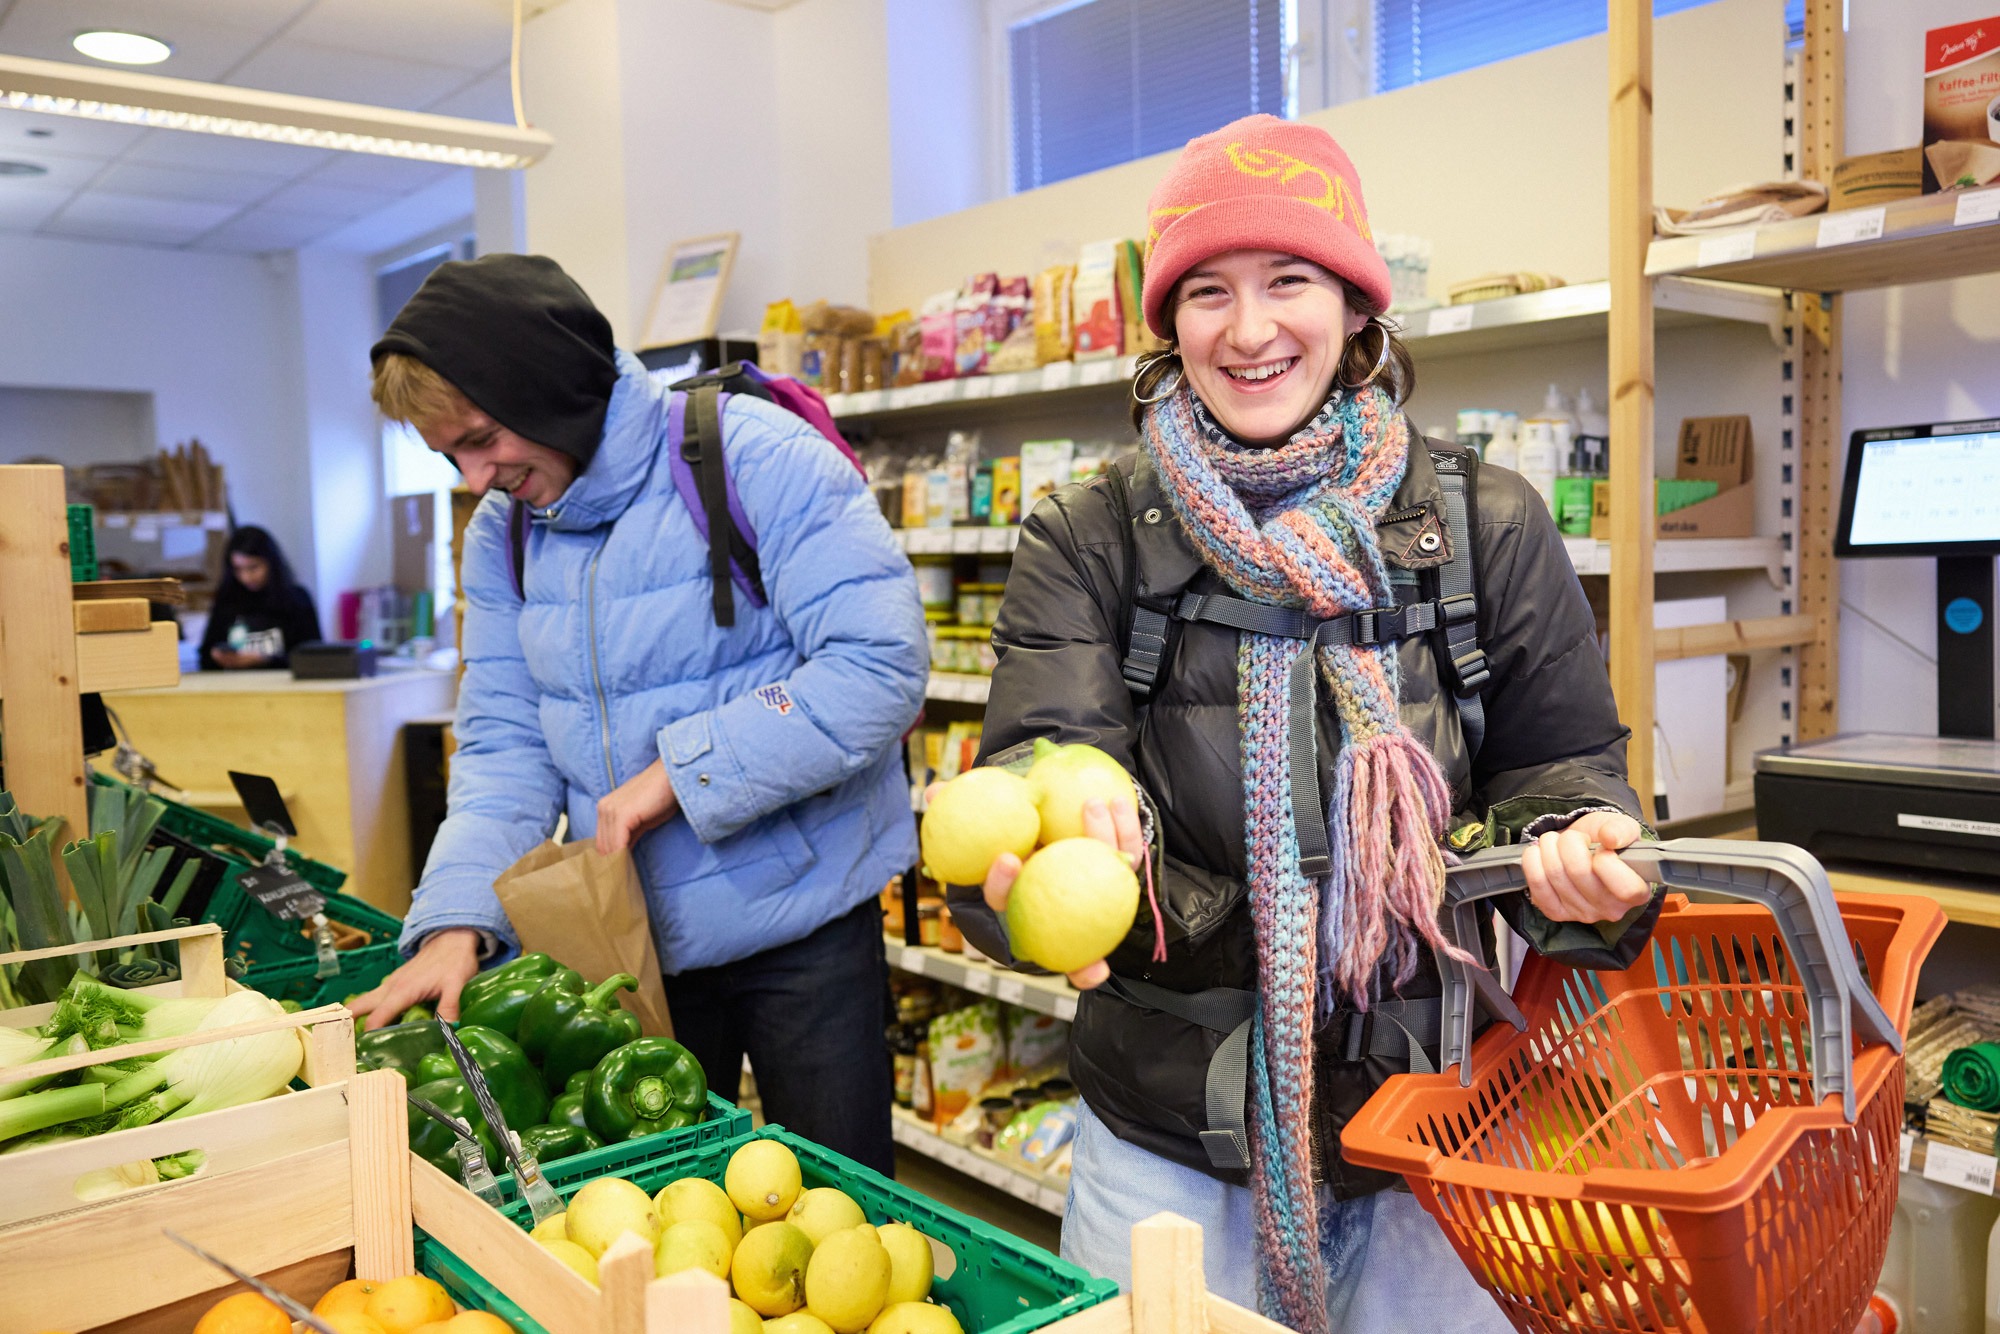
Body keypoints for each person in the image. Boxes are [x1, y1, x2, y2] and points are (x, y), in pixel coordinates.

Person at [948, 116, 1661, 1334]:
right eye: (1207, 290)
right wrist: (1042, 881)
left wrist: (1571, 860)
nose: (1249, 327)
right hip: (1176, 1143)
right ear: (1167, 322)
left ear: (1352, 301)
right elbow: (1028, 776)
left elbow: (1564, 768)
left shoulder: (1484, 521)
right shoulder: (1088, 534)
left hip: (1445, 1130)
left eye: (1288, 279)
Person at [348, 253, 927, 1174]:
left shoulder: (755, 458)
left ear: (546, 390)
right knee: (666, 1216)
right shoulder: (504, 535)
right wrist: (456, 917)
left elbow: (879, 667)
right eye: (448, 453)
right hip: (628, 940)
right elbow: (505, 745)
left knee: (841, 1207)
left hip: (803, 927)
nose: (473, 476)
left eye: (484, 437)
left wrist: (678, 776)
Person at [198, 525, 322, 670]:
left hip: (283, 688)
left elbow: (314, 657)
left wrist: (266, 661)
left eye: (253, 567)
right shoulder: (226, 600)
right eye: (238, 569)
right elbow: (205, 656)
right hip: (235, 688)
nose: (245, 577)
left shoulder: (297, 599)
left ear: (270, 562)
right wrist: (217, 656)